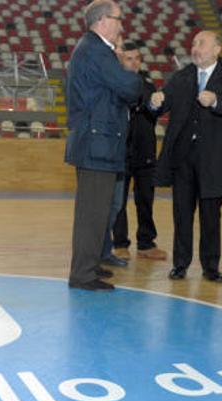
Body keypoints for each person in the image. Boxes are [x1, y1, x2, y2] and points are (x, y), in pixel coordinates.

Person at [150, 30, 222, 283]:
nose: (195, 48)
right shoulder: (181, 76)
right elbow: (164, 103)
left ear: (217, 49)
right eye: (193, 43)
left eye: (201, 44)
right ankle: (180, 264)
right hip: (183, 158)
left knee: (211, 216)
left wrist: (216, 101)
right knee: (181, 213)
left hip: (214, 159)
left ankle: (211, 266)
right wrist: (156, 101)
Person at [65, 0, 142, 291]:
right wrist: (129, 74)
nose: (122, 25)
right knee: (92, 214)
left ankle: (90, 266)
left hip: (98, 142)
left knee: (98, 213)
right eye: (118, 19)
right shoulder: (97, 51)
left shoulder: (91, 49)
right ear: (102, 21)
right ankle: (83, 274)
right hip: (97, 144)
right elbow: (129, 87)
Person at [110, 41, 167, 262]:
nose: (134, 63)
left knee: (145, 199)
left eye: (137, 58)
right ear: (120, 60)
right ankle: (120, 243)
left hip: (145, 151)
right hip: (120, 151)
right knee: (119, 201)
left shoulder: (148, 84)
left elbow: (154, 111)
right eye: (129, 58)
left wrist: (156, 104)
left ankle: (146, 243)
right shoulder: (114, 83)